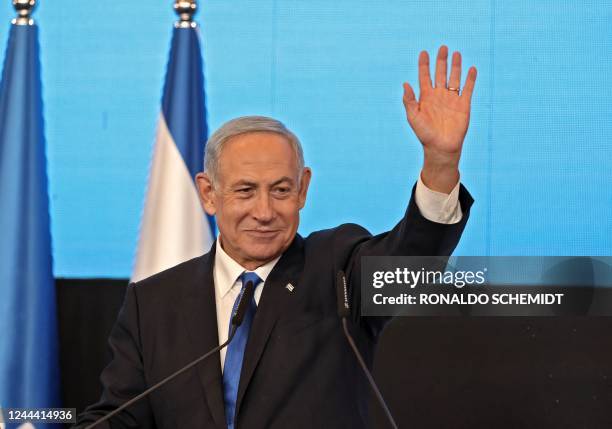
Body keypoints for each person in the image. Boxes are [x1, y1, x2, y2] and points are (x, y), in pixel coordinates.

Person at [74, 45, 477, 429]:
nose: (264, 212)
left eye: (281, 190)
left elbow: (411, 258)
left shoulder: (337, 270)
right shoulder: (154, 303)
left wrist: (441, 164)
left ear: (303, 189)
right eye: (245, 191)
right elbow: (121, 417)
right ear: (209, 194)